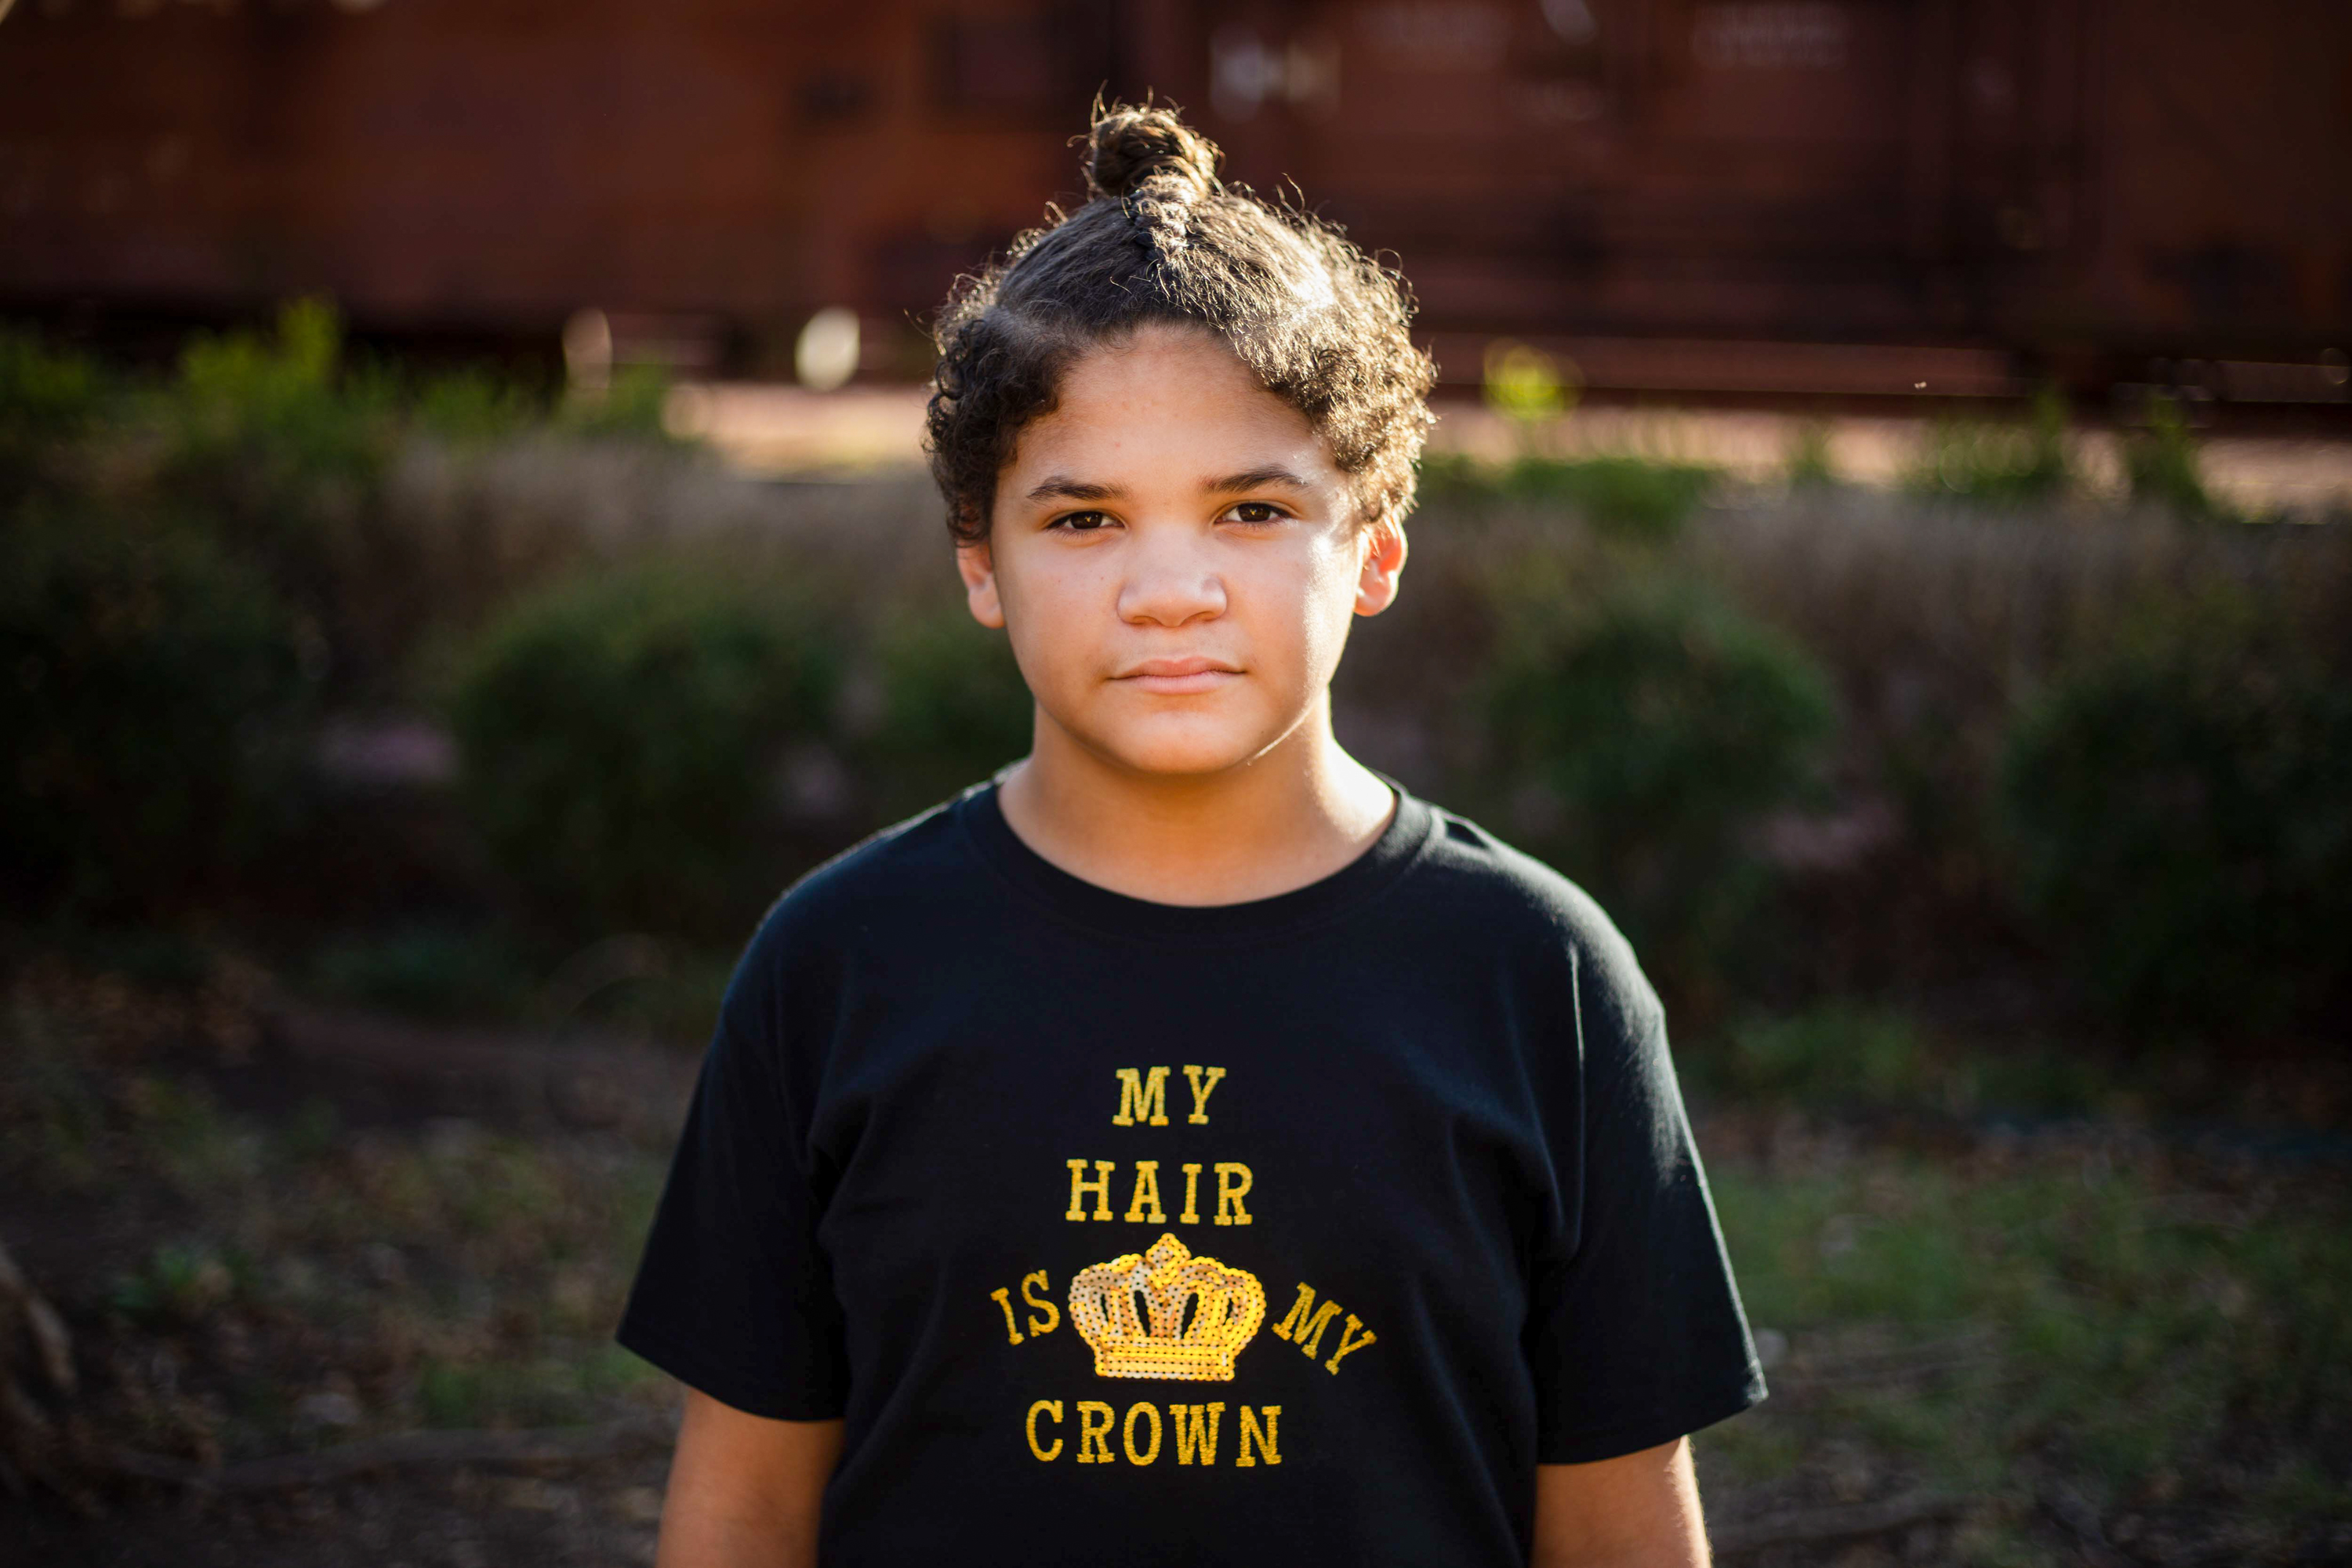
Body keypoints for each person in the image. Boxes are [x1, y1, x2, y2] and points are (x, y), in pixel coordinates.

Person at [616, 102, 1764, 1568]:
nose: (1171, 590)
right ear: (981, 563)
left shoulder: (1543, 981)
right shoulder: (837, 965)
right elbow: (745, 1509)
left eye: (1248, 510)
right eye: (1084, 520)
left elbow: (1621, 1533)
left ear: (1377, 546)